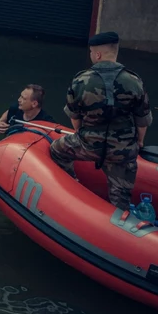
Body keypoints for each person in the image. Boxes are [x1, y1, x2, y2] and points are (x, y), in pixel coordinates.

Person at [50, 32, 151, 213]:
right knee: (121, 200)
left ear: (97, 55)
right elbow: (142, 119)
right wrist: (139, 142)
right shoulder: (134, 81)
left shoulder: (81, 80)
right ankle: (119, 220)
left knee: (57, 150)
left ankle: (72, 186)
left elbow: (75, 117)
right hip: (123, 150)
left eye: (91, 52)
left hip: (89, 145)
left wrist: (83, 135)